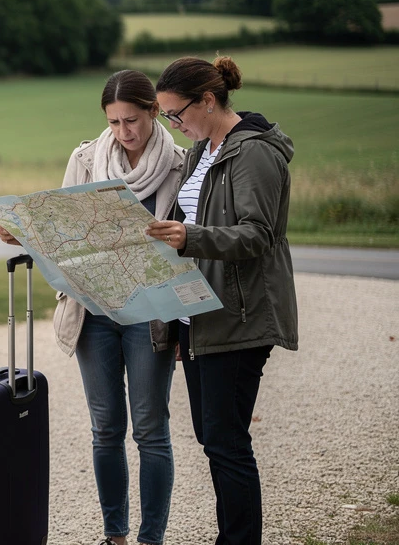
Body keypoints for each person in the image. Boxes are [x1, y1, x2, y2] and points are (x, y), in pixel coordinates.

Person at [0, 70, 184, 545]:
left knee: (150, 429)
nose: (124, 131)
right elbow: (63, 237)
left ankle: (151, 539)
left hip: (150, 314)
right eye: (114, 121)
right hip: (93, 312)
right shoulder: (85, 159)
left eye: (132, 120)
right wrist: (24, 234)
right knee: (105, 429)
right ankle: (114, 536)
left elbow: (192, 246)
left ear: (154, 112)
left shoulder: (180, 165)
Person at [147, 56, 297, 544]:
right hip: (200, 317)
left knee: (227, 442)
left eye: (176, 113)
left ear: (208, 100)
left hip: (240, 315)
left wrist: (190, 237)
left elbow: (259, 235)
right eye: (167, 115)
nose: (173, 124)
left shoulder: (254, 152)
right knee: (214, 439)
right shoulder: (201, 151)